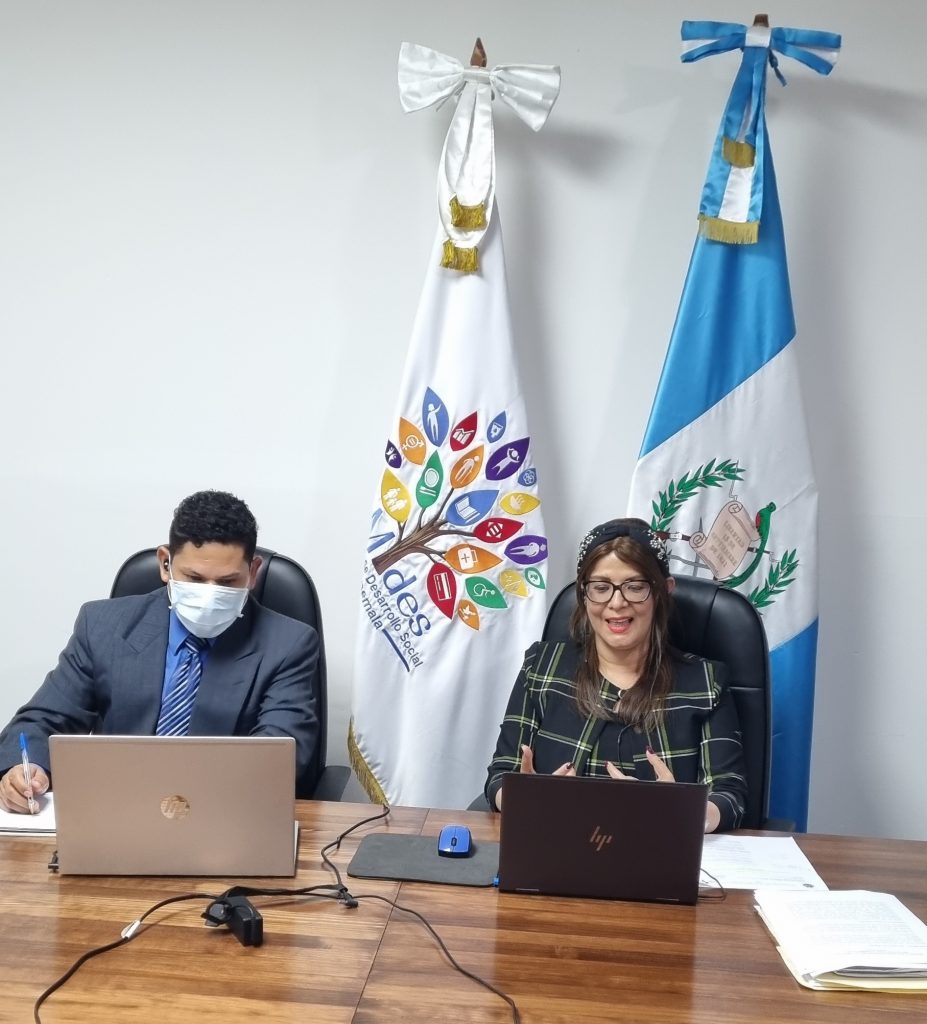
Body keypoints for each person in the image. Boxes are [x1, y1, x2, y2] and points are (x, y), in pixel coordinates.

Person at [0, 490, 320, 813]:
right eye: (194, 578)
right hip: (116, 811)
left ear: (253, 573)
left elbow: (279, 756)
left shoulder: (289, 644)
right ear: (165, 564)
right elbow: (40, 721)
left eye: (227, 582)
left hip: (221, 813)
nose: (209, 595)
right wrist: (26, 770)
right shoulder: (102, 626)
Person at [485, 517, 747, 832]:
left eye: (635, 587)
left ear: (664, 591)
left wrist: (684, 811)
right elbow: (501, 775)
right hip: (556, 847)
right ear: (583, 594)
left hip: (662, 851)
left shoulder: (706, 682)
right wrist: (522, 799)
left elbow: (730, 795)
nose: (617, 603)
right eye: (601, 588)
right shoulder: (541, 667)